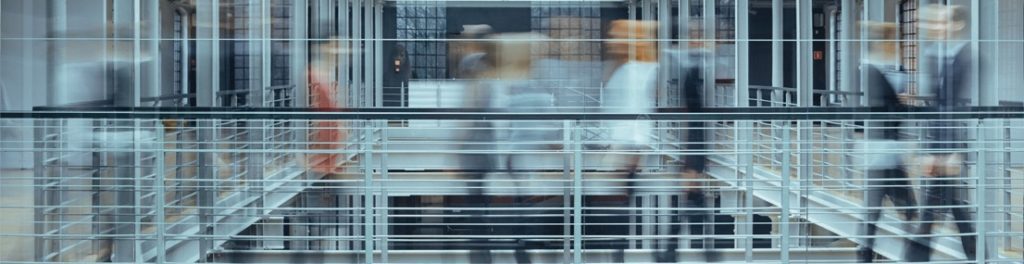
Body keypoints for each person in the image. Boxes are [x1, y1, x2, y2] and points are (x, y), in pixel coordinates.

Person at [904, 4, 977, 262]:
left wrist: (949, 152)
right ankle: (978, 255)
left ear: (956, 25)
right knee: (952, 207)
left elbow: (956, 110)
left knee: (937, 210)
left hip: (950, 150)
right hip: (943, 149)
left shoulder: (966, 58)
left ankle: (914, 259)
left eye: (941, 22)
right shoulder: (940, 56)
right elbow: (938, 108)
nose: (935, 27)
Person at [855, 22, 918, 263]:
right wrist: (903, 104)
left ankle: (866, 253)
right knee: (902, 208)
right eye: (894, 42)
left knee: (875, 208)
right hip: (883, 152)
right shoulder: (872, 71)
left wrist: (898, 101)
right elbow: (888, 110)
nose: (897, 47)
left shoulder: (871, 70)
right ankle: (908, 255)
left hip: (882, 152)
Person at [603, 20, 659, 262]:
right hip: (621, 148)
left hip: (627, 151)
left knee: (615, 207)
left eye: (616, 36)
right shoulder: (625, 68)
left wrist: (630, 158)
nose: (609, 41)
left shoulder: (638, 70)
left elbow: (639, 117)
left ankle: (619, 254)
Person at [306, 38, 349, 174]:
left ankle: (330, 161)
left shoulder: (324, 72)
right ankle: (326, 161)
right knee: (330, 131)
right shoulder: (315, 72)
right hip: (322, 116)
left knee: (338, 131)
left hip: (327, 115)